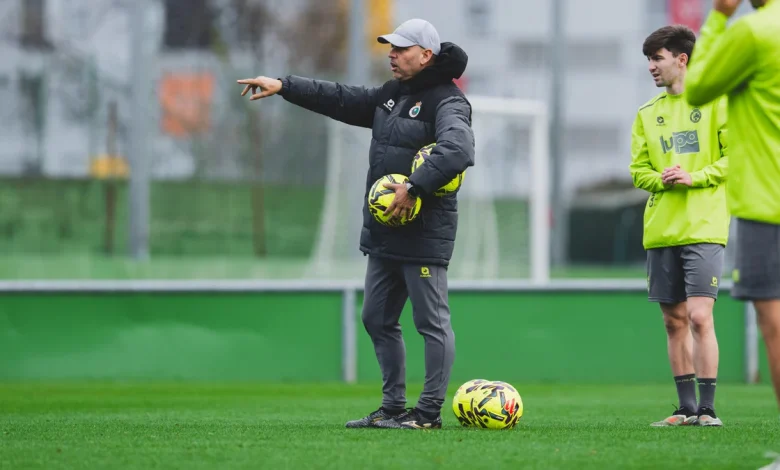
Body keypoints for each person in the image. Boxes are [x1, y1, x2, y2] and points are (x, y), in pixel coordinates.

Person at [237, 19, 474, 430]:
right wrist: (284, 85)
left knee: (431, 324)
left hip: (424, 233)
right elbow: (342, 98)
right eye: (390, 47)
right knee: (376, 318)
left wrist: (415, 187)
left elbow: (459, 149)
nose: (392, 54)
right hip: (385, 233)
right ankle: (393, 408)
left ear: (426, 55)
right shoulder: (391, 96)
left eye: (401, 48)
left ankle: (429, 413)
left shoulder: (448, 102)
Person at [629, 25, 729, 427]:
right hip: (661, 229)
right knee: (673, 320)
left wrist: (695, 177)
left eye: (657, 58)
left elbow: (733, 159)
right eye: (649, 60)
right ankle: (686, 408)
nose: (651, 67)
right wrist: (662, 180)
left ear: (681, 59)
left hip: (704, 226)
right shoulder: (646, 114)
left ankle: (708, 408)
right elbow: (638, 170)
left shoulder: (717, 103)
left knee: (701, 317)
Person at [685, 0, 780, 421]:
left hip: (768, 202)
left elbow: (698, 86)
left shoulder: (754, 31)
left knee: (774, 326)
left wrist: (721, 15)